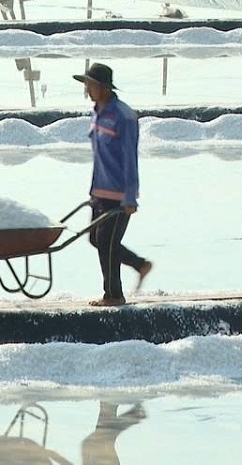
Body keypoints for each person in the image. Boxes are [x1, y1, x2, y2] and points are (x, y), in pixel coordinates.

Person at [72, 62, 152, 307]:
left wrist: (130, 197)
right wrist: (92, 190)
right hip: (100, 189)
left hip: (118, 193)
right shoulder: (97, 112)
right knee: (96, 239)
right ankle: (139, 264)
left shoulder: (123, 116)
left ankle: (113, 295)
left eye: (90, 85)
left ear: (103, 87)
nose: (87, 89)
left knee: (107, 243)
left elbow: (130, 157)